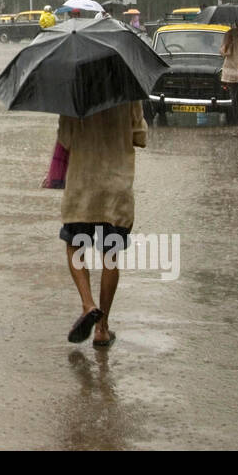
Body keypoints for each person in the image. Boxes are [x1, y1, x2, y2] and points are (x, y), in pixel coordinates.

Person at [55, 101, 148, 348]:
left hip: (83, 185)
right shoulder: (129, 91)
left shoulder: (74, 92)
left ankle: (88, 304)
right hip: (115, 187)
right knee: (110, 255)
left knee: (75, 246)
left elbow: (65, 138)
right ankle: (102, 329)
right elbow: (140, 136)